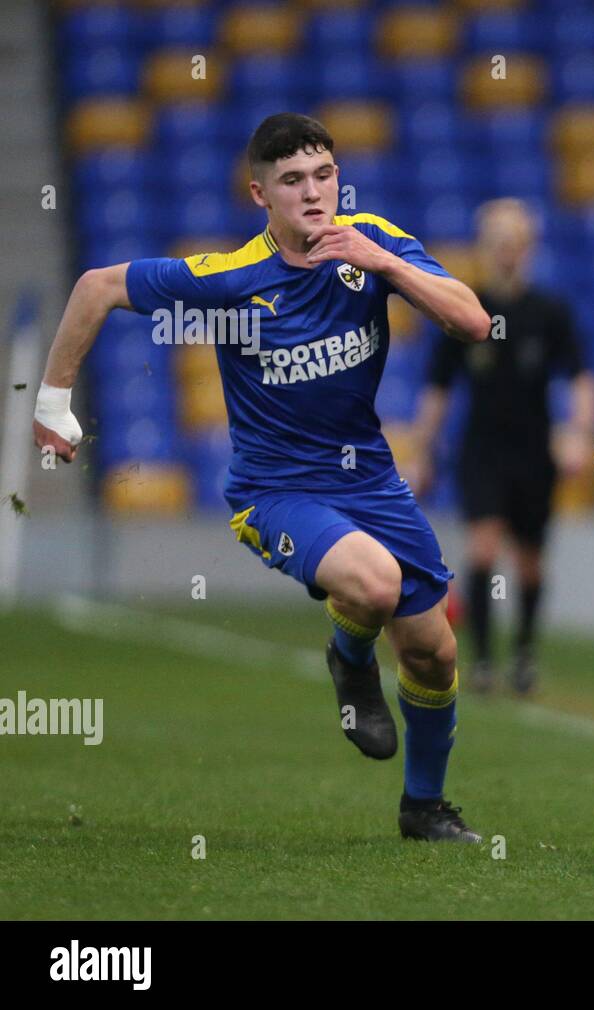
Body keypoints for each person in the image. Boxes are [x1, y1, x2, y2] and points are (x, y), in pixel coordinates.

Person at [31, 113, 492, 842]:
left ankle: (424, 808)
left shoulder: (373, 241)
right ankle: (348, 660)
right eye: (292, 182)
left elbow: (473, 321)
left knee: (434, 653)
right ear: (260, 194)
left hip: (371, 481)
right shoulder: (231, 278)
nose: (314, 194)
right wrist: (54, 403)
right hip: (275, 493)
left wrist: (389, 267)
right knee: (373, 583)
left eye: (324, 175)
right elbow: (95, 287)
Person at [408, 199, 594, 694]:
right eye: (497, 243)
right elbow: (438, 389)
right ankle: (485, 662)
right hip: (482, 450)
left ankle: (525, 656)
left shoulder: (549, 312)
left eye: (515, 243)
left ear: (528, 248)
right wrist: (421, 452)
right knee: (483, 546)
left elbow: (582, 378)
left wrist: (579, 433)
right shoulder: (463, 308)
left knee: (531, 560)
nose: (506, 252)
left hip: (534, 452)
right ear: (484, 248)